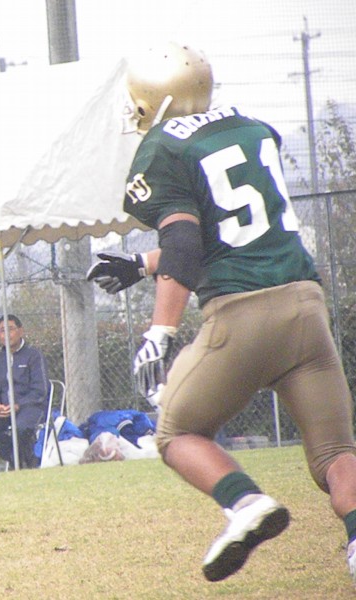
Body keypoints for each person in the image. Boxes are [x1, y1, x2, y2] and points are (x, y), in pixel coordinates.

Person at [86, 42, 356, 583]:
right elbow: (233, 233)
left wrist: (159, 333)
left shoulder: (165, 145)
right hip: (306, 308)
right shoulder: (252, 130)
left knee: (177, 433)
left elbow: (185, 245)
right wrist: (142, 263)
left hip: (243, 314)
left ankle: (245, 503)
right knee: (335, 453)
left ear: (154, 98)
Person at [0, 315, 49, 469]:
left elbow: (40, 390)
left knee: (21, 428)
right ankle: (21, 458)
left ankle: (20, 461)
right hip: (5, 411)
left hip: (30, 408)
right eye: (2, 331)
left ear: (21, 331)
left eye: (11, 329)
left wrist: (18, 405)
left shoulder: (34, 356)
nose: (6, 334)